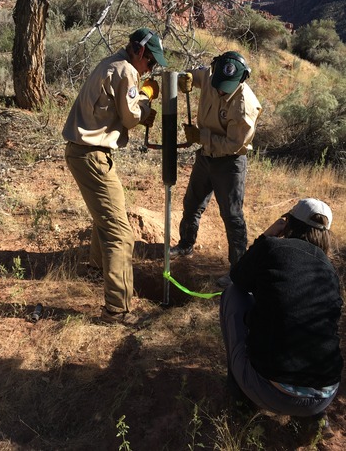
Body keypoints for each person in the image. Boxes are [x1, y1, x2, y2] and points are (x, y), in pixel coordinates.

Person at [62, 28, 167, 324]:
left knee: (109, 214)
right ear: (139, 53)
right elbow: (131, 117)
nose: (150, 69)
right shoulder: (126, 71)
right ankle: (117, 310)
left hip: (86, 152)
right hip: (91, 154)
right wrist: (145, 98)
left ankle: (97, 269)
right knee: (120, 233)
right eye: (150, 63)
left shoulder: (111, 62)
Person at [220, 198, 343, 436]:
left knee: (232, 294)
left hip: (271, 392)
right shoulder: (329, 271)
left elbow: (238, 277)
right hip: (325, 395)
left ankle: (240, 402)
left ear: (288, 224)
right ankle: (315, 419)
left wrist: (267, 236)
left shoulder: (272, 248)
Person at [170, 51, 262, 287]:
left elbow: (233, 144)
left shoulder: (246, 107)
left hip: (229, 163)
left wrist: (202, 137)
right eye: (218, 84)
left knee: (232, 216)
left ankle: (238, 271)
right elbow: (194, 76)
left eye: (227, 87)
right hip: (205, 157)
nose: (220, 90)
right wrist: (186, 78)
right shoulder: (212, 75)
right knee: (191, 203)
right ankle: (185, 245)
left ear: (242, 80)